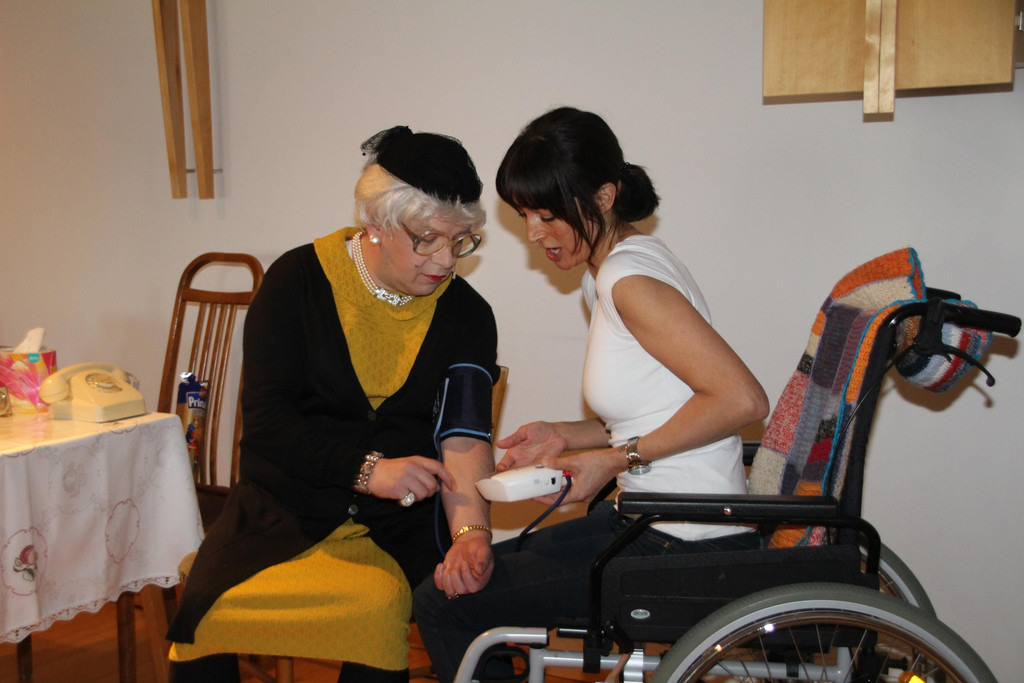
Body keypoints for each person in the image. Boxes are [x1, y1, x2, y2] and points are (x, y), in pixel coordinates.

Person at [412, 107, 770, 683]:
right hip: (650, 519)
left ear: (604, 196)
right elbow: (661, 404)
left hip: (684, 542)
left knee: (443, 601)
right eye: (524, 215)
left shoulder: (631, 282)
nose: (533, 233)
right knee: (468, 578)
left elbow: (742, 401)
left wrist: (614, 459)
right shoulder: (609, 272)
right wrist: (565, 436)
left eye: (548, 214)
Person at [166, 126, 499, 683]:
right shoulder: (296, 281)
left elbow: (463, 435)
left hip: (401, 524)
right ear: (376, 223)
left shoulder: (468, 314)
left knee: (405, 619)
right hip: (284, 508)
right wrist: (367, 471)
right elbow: (268, 425)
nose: (445, 260)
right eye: (427, 239)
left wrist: (472, 534)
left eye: (460, 240)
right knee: (204, 617)